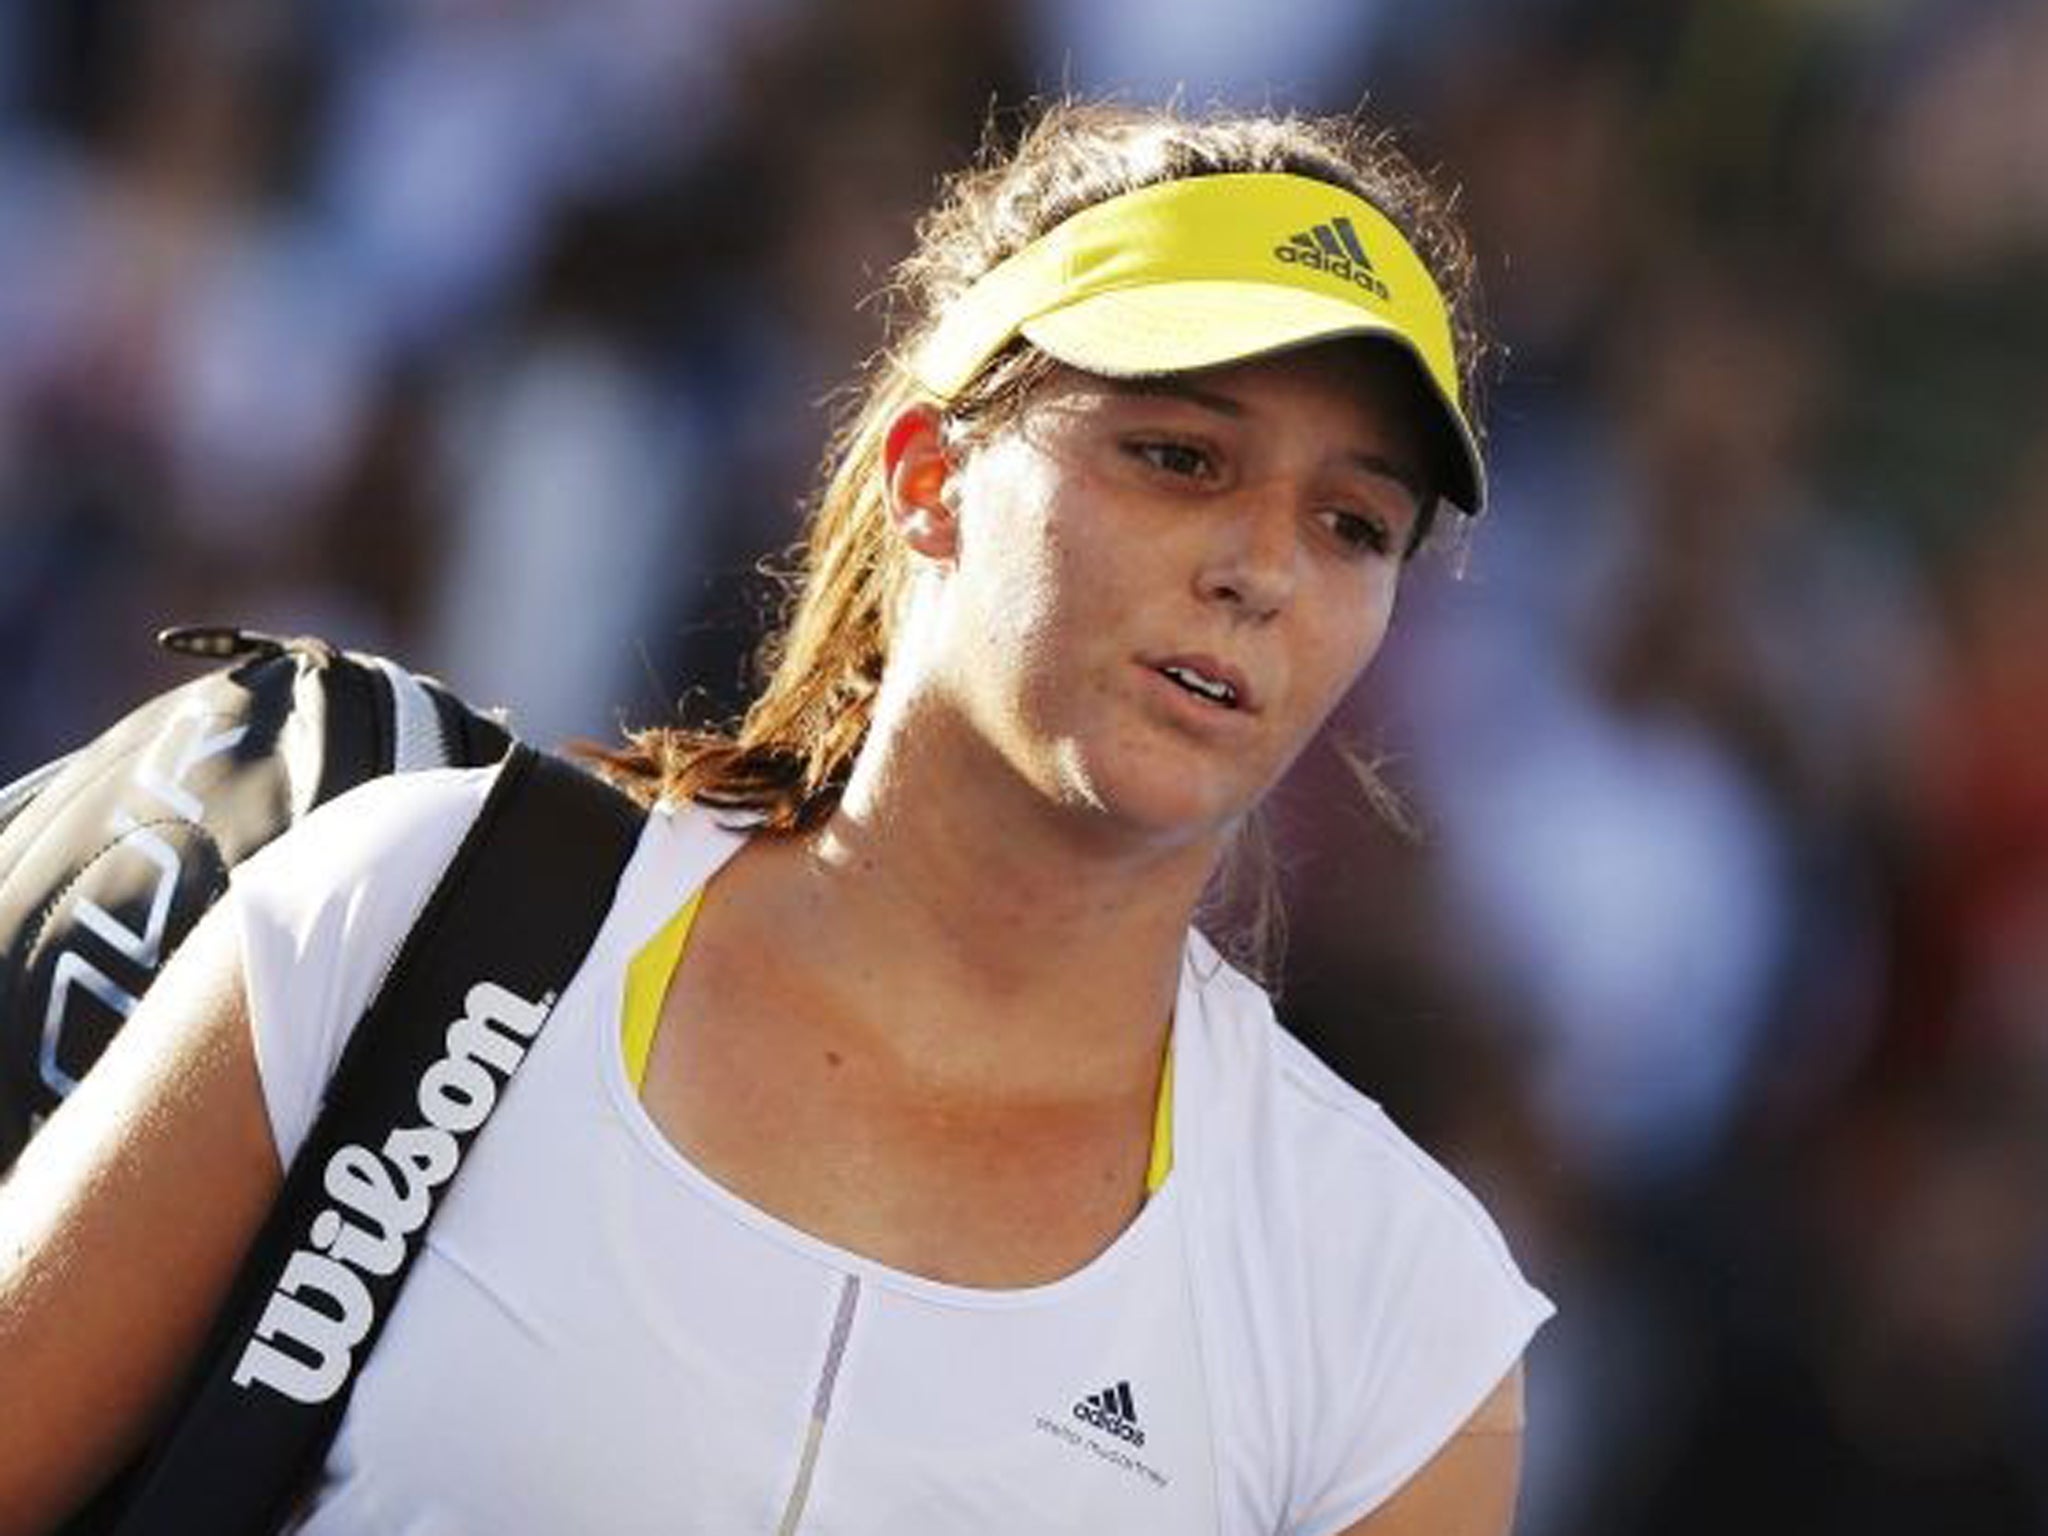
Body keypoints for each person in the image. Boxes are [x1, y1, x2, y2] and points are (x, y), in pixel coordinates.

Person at [0, 100, 1552, 1534]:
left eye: (1354, 525)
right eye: (1178, 455)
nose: (1263, 569)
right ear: (929, 477)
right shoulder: (415, 911)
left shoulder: (1394, 1314)